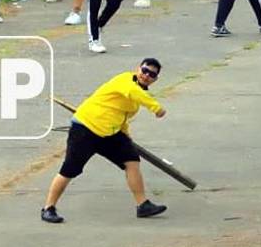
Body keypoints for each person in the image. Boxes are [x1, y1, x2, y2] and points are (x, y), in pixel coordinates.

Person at [40, 58, 169, 223]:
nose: (146, 75)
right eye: (145, 70)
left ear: (155, 79)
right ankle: (48, 208)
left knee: (131, 161)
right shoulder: (125, 80)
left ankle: (143, 205)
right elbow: (133, 92)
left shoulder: (137, 97)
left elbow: (121, 116)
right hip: (85, 129)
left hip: (109, 134)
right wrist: (156, 107)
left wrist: (125, 135)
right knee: (70, 170)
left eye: (152, 74)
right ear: (138, 68)